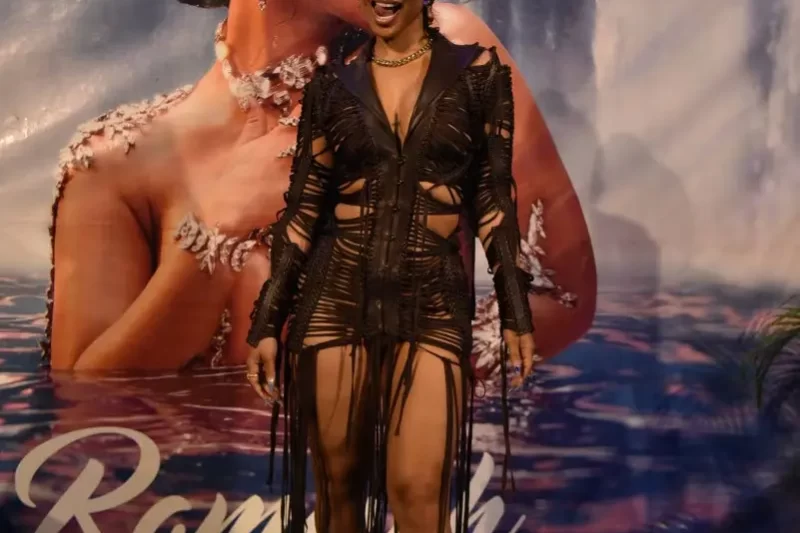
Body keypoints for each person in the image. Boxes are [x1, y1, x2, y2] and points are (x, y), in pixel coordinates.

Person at [46, 0, 595, 373]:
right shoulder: (110, 166)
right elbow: (82, 417)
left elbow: (558, 298)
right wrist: (213, 248)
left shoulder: (447, 57)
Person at [243, 1, 583, 532]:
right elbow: (304, 210)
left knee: (419, 494)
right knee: (339, 492)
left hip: (433, 303)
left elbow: (492, 200)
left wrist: (515, 311)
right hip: (334, 301)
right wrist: (267, 321)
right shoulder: (333, 85)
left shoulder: (478, 75)